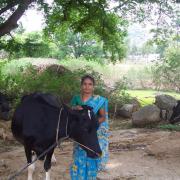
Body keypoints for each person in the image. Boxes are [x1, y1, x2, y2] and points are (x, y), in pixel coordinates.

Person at [70, 75, 109, 180]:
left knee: (91, 155)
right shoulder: (76, 99)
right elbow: (71, 114)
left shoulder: (99, 100)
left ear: (93, 87)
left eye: (90, 84)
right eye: (85, 84)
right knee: (79, 156)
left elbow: (102, 117)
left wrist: (91, 125)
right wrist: (75, 108)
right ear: (81, 85)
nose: (87, 87)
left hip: (92, 133)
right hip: (80, 135)